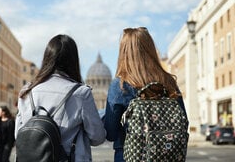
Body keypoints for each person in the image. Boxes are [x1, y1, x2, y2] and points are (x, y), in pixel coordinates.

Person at [15, 34, 106, 161]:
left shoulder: (27, 91)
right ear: (74, 60)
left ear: (47, 58)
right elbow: (97, 137)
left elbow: (19, 134)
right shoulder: (81, 93)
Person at [104, 27, 188, 162]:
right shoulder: (169, 81)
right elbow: (184, 122)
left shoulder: (120, 85)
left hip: (129, 155)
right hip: (168, 156)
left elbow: (111, 133)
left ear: (124, 52)